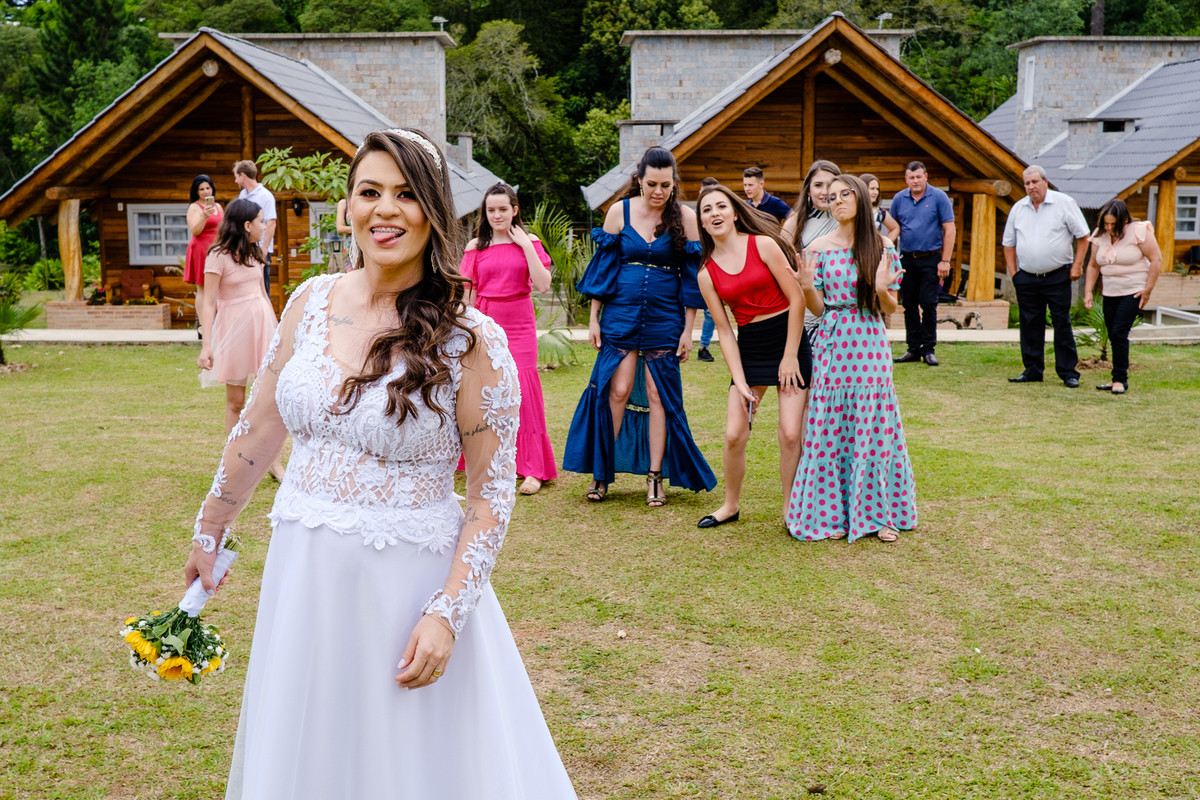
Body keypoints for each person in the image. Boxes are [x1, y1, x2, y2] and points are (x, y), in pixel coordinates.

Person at [184, 129, 577, 799]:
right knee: (310, 750)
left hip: (404, 590)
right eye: (369, 192)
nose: (384, 210)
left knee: (406, 763)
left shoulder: (470, 340)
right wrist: (211, 524)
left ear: (433, 210)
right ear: (349, 206)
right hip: (302, 574)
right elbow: (259, 425)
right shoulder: (309, 303)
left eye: (405, 195)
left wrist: (447, 613)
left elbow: (489, 497)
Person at [564, 146, 717, 506]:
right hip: (621, 314)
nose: (658, 192)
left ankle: (655, 477)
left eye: (665, 185)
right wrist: (593, 320)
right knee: (615, 391)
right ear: (639, 180)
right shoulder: (620, 211)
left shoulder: (686, 217)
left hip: (665, 318)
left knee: (658, 395)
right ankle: (602, 475)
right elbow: (603, 271)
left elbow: (691, 280)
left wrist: (687, 330)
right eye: (652, 184)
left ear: (674, 183)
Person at [788, 174, 916, 543]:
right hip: (833, 339)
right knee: (829, 424)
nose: (837, 200)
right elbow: (820, 306)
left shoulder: (880, 246)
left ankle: (879, 514)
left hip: (869, 340)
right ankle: (829, 513)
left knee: (873, 425)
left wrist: (880, 289)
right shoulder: (818, 246)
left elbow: (890, 305)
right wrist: (808, 286)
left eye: (845, 194)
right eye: (831, 196)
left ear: (861, 199)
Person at [694, 184, 808, 529]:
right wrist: (740, 381)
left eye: (720, 206)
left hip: (788, 338)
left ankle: (791, 508)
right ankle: (731, 505)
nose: (715, 213)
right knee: (734, 433)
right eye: (707, 210)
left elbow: (798, 299)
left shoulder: (764, 244)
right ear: (701, 220)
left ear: (734, 210)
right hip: (751, 345)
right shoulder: (705, 273)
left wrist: (790, 356)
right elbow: (725, 331)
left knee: (790, 433)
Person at [460, 182, 558, 494]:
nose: (497, 215)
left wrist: (526, 246)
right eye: (491, 210)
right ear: (484, 213)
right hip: (487, 322)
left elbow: (543, 284)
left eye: (503, 209)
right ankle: (490, 462)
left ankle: (533, 469)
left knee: (525, 394)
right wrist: (467, 331)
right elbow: (467, 295)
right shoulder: (476, 247)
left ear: (514, 210)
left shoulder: (529, 241)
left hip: (520, 321)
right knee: (486, 392)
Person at [196, 198, 285, 480]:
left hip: (262, 327)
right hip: (233, 331)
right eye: (261, 221)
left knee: (269, 400)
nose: (265, 226)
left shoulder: (257, 252)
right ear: (247, 225)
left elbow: (263, 293)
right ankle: (234, 461)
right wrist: (207, 344)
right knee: (236, 401)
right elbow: (209, 303)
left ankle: (273, 461)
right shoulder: (218, 256)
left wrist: (277, 332)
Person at [1002, 165, 1090, 388]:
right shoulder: (1018, 209)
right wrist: (1014, 274)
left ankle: (1068, 372)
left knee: (1061, 323)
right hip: (1027, 277)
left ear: (1045, 181)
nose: (1031, 187)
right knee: (1030, 324)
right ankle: (1032, 370)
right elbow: (1008, 243)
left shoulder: (1063, 203)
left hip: (1057, 275)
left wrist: (1077, 265)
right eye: (1027, 184)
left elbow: (1083, 236)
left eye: (1034, 182)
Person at [1084, 198, 1162, 395]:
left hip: (1133, 290)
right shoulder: (1099, 235)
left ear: (1123, 221)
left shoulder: (1138, 230)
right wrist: (1088, 292)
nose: (1109, 228)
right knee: (1113, 333)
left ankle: (1120, 379)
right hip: (1110, 291)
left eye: (1113, 224)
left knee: (1119, 332)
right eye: (1106, 224)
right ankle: (1116, 378)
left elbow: (1156, 259)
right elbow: (1093, 265)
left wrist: (1148, 289)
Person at [890, 161, 955, 367]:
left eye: (919, 177)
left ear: (926, 176)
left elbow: (949, 229)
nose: (915, 181)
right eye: (911, 178)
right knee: (908, 304)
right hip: (907, 259)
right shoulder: (899, 199)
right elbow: (892, 228)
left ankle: (928, 349)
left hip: (931, 259)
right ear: (906, 179)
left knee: (928, 304)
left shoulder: (938, 197)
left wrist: (945, 260)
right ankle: (912, 349)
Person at [233, 159, 277, 295]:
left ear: (242, 176)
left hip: (259, 248)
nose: (235, 181)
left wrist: (264, 249)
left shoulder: (265, 196)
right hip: (243, 246)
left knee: (262, 286)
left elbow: (271, 223)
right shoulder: (242, 195)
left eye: (236, 176)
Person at [183, 174, 223, 325]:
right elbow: (195, 230)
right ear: (196, 191)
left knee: (218, 287)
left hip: (216, 248)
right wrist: (204, 217)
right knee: (203, 287)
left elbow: (223, 227)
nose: (206, 191)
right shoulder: (194, 207)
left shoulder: (218, 207)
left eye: (208, 188)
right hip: (201, 249)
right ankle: (204, 324)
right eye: (202, 189)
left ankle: (218, 321)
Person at [781, 160, 841, 250]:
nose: (824, 192)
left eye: (830, 185)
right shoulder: (794, 223)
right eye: (818, 185)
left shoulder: (849, 221)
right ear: (808, 190)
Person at [697, 176, 721, 363]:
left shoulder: (719, 219)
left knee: (710, 311)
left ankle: (703, 347)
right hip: (691, 271)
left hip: (710, 270)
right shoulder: (692, 218)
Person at [860, 173, 900, 243]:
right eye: (872, 189)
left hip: (873, 251)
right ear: (862, 189)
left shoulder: (879, 212)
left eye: (877, 189)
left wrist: (886, 244)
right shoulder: (853, 210)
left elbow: (895, 228)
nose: (875, 192)